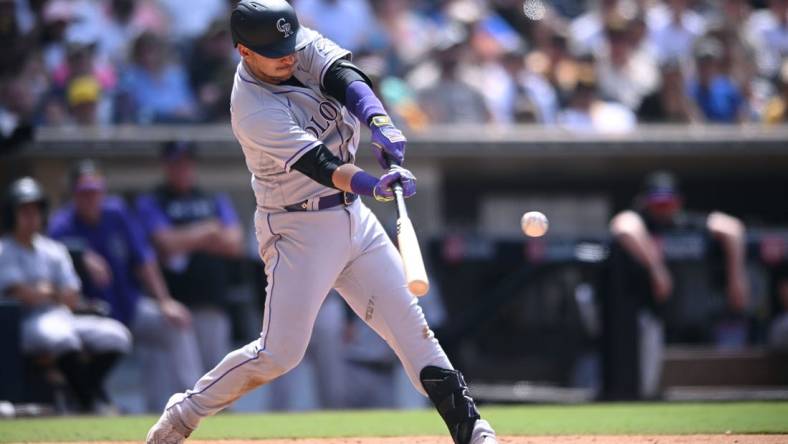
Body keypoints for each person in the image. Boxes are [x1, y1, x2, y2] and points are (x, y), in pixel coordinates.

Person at [146, 1, 499, 444]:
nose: (289, 55)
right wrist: (375, 183)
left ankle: (472, 428)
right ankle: (184, 413)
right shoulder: (251, 107)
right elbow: (321, 164)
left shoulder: (297, 42)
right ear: (244, 52)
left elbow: (345, 78)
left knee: (412, 327)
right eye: (275, 51)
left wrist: (379, 121)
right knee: (279, 354)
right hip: (298, 228)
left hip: (352, 217)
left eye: (289, 44)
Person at [48, 160, 203, 412]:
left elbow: (144, 260)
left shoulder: (116, 213)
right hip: (89, 317)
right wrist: (80, 255)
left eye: (96, 191)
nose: (91, 198)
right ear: (74, 194)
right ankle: (94, 405)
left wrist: (164, 301)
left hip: (128, 307)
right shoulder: (62, 225)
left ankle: (195, 403)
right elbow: (52, 257)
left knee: (176, 323)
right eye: (85, 192)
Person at [607, 171, 749, 398]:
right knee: (644, 381)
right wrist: (657, 270)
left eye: (668, 203)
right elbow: (623, 226)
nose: (663, 209)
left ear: (678, 201)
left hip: (689, 315)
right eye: (657, 203)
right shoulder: (639, 220)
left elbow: (733, 228)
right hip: (645, 314)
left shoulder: (685, 223)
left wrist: (737, 279)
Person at [0, 177, 131, 413]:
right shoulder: (4, 250)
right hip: (25, 323)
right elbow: (22, 294)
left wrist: (46, 291)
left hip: (61, 316)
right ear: (12, 214)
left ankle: (85, 395)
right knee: (63, 338)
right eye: (24, 211)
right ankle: (90, 403)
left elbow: (71, 294)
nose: (31, 217)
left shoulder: (54, 249)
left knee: (117, 335)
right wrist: (49, 292)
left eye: (35, 210)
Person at [135, 141, 242, 372]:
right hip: (173, 306)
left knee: (217, 379)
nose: (182, 168)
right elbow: (165, 243)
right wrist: (208, 231)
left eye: (186, 163)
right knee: (184, 382)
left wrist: (186, 240)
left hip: (211, 301)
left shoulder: (214, 199)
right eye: (176, 163)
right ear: (166, 166)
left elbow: (234, 244)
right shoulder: (154, 200)